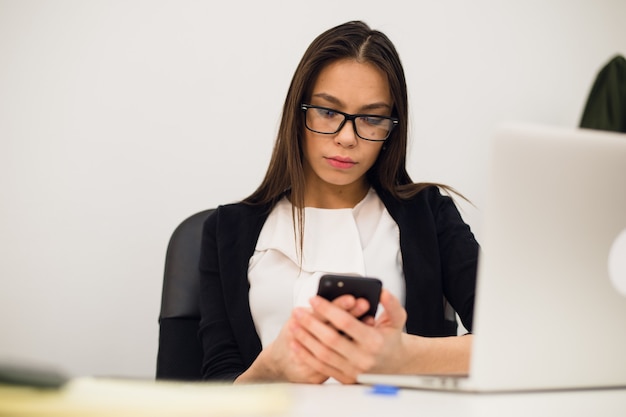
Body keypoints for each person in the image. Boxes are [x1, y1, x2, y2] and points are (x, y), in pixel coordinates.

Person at [198, 20, 479, 384]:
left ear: (392, 128)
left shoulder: (429, 215)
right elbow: (215, 386)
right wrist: (271, 369)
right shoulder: (226, 231)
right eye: (329, 112)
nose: (347, 138)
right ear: (298, 116)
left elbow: (513, 342)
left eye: (372, 118)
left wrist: (404, 355)